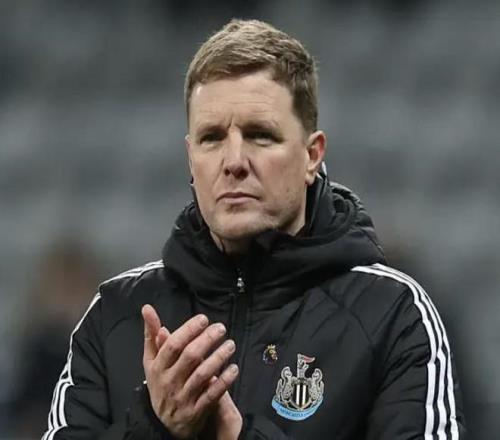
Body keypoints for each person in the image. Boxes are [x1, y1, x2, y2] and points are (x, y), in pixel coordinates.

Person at [42, 19, 466, 439]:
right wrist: (155, 427)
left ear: (312, 155)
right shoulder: (115, 315)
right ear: (190, 158)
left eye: (260, 135)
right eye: (212, 138)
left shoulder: (392, 315)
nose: (234, 162)